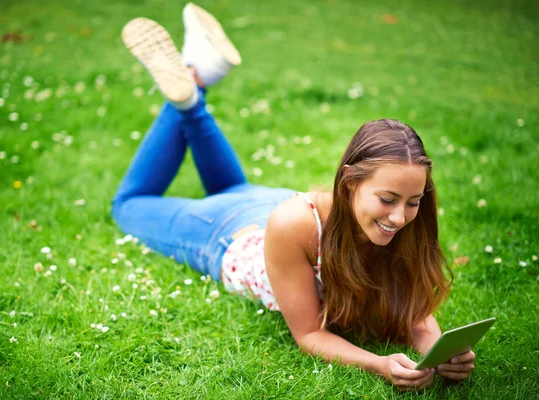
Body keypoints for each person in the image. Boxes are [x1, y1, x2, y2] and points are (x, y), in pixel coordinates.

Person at [112, 3, 476, 391]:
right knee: (128, 204)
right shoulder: (296, 223)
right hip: (227, 232)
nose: (401, 217)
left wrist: (436, 346)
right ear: (350, 182)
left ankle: (199, 76)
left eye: (413, 200)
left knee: (230, 186)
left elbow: (414, 312)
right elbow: (309, 336)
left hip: (266, 206)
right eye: (387, 199)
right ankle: (189, 95)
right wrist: (379, 364)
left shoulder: (399, 219)